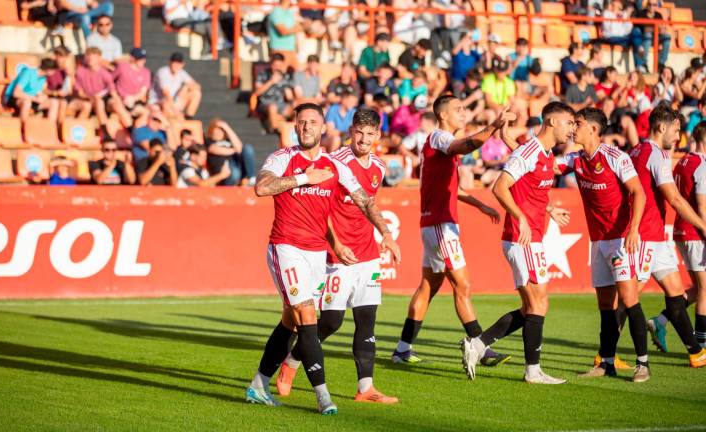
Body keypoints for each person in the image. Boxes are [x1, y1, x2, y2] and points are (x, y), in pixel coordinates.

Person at [245, 103, 400, 415]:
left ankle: (259, 384)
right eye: (301, 122)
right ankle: (324, 397)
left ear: (322, 127)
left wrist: (385, 231)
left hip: (317, 252)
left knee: (291, 320)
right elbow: (261, 187)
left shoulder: (334, 166)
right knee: (309, 317)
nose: (306, 128)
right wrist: (303, 179)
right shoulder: (283, 158)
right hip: (286, 247)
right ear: (295, 126)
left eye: (312, 122)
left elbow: (365, 202)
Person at [391, 95, 514, 366]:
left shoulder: (437, 145)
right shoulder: (439, 138)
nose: (464, 113)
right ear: (443, 115)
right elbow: (465, 145)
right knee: (463, 285)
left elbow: (452, 188)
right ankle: (479, 347)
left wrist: (481, 205)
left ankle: (402, 349)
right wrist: (494, 126)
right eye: (458, 109)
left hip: (435, 224)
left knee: (428, 287)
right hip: (440, 226)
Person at [461, 101, 576, 384]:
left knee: (534, 305)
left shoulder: (544, 153)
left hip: (531, 237)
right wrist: (520, 217)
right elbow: (499, 187)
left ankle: (477, 345)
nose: (572, 129)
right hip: (522, 237)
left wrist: (549, 209)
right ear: (551, 122)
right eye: (569, 123)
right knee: (537, 304)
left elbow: (531, 187)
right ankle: (532, 371)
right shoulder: (531, 150)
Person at [555, 108, 647, 379]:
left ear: (594, 130)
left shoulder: (614, 157)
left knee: (629, 300)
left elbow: (638, 192)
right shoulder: (576, 159)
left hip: (620, 239)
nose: (574, 128)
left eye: (579, 124)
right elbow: (542, 164)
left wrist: (633, 229)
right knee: (605, 306)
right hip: (598, 242)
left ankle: (643, 363)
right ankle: (606, 363)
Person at [627, 104, 706, 368]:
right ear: (662, 127)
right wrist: (704, 227)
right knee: (627, 297)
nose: (678, 135)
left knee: (675, 293)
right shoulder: (655, 153)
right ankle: (604, 355)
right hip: (647, 236)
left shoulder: (638, 149)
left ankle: (696, 352)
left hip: (657, 236)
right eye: (676, 129)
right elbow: (674, 198)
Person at [666, 121, 706, 350]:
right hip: (695, 230)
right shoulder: (702, 164)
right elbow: (702, 206)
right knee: (704, 289)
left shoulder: (683, 161)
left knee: (698, 287)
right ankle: (701, 344)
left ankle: (661, 320)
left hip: (681, 229)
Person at [70, 47, 129, 130]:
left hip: (104, 99)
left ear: (99, 58)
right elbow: (80, 93)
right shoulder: (80, 71)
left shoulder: (105, 73)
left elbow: (112, 92)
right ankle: (105, 132)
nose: (90, 59)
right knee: (98, 102)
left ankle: (131, 130)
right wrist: (91, 97)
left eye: (93, 57)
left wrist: (119, 101)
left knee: (117, 105)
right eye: (88, 56)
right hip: (88, 99)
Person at [3, 57, 61, 123]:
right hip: (13, 98)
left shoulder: (43, 78)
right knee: (27, 103)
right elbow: (16, 93)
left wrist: (43, 97)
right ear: (49, 70)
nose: (55, 72)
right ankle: (23, 128)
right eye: (54, 70)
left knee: (54, 102)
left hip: (31, 99)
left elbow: (37, 91)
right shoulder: (28, 73)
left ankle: (49, 127)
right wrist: (35, 99)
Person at [149, 52, 202, 120]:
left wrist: (185, 88)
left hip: (173, 101)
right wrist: (175, 109)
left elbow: (197, 86)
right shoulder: (163, 72)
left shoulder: (181, 72)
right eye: (175, 62)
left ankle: (188, 118)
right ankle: (172, 123)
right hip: (157, 101)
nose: (177, 65)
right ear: (170, 62)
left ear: (182, 64)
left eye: (179, 63)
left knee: (196, 93)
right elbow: (166, 93)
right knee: (166, 104)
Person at [204, 119, 256, 186]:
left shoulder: (229, 141)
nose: (220, 131)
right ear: (211, 130)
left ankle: (250, 177)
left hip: (237, 166)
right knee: (234, 172)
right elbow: (214, 150)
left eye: (222, 129)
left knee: (247, 148)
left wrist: (227, 127)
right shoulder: (208, 141)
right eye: (217, 129)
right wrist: (235, 150)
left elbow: (240, 147)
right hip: (225, 171)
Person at [254, 53, 295, 133]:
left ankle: (291, 132)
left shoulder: (285, 77)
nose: (277, 68)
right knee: (273, 107)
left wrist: (293, 103)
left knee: (297, 109)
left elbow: (289, 95)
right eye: (275, 65)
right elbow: (257, 92)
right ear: (271, 64)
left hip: (281, 104)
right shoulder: (263, 74)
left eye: (280, 66)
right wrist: (271, 81)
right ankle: (275, 130)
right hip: (266, 103)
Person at [113, 47, 152, 127]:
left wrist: (132, 99)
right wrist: (117, 96)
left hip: (134, 102)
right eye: (140, 59)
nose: (143, 61)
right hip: (119, 99)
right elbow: (110, 81)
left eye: (144, 59)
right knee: (118, 108)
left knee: (147, 113)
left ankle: (135, 132)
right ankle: (130, 130)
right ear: (133, 58)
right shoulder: (122, 67)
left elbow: (143, 92)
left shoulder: (146, 72)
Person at [631, 1, 670, 73]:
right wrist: (656, 28)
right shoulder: (641, 13)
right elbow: (643, 29)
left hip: (656, 37)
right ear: (647, 5)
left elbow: (662, 28)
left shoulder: (658, 15)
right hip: (644, 38)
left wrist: (662, 30)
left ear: (656, 6)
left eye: (654, 5)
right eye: (650, 4)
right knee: (647, 35)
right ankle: (643, 63)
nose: (652, 6)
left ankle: (661, 63)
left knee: (667, 37)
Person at [267, 0, 301, 69]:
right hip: (279, 49)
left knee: (297, 76)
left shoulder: (290, 12)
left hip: (291, 50)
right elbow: (283, 31)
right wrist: (294, 29)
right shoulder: (276, 12)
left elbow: (299, 27)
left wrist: (291, 31)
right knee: (279, 76)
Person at [450, 32, 482, 96]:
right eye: (467, 39)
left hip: (471, 79)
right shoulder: (458, 53)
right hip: (458, 80)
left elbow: (482, 59)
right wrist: (466, 37)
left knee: (480, 88)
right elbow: (454, 51)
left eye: (470, 39)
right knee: (458, 88)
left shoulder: (473, 53)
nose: (468, 41)